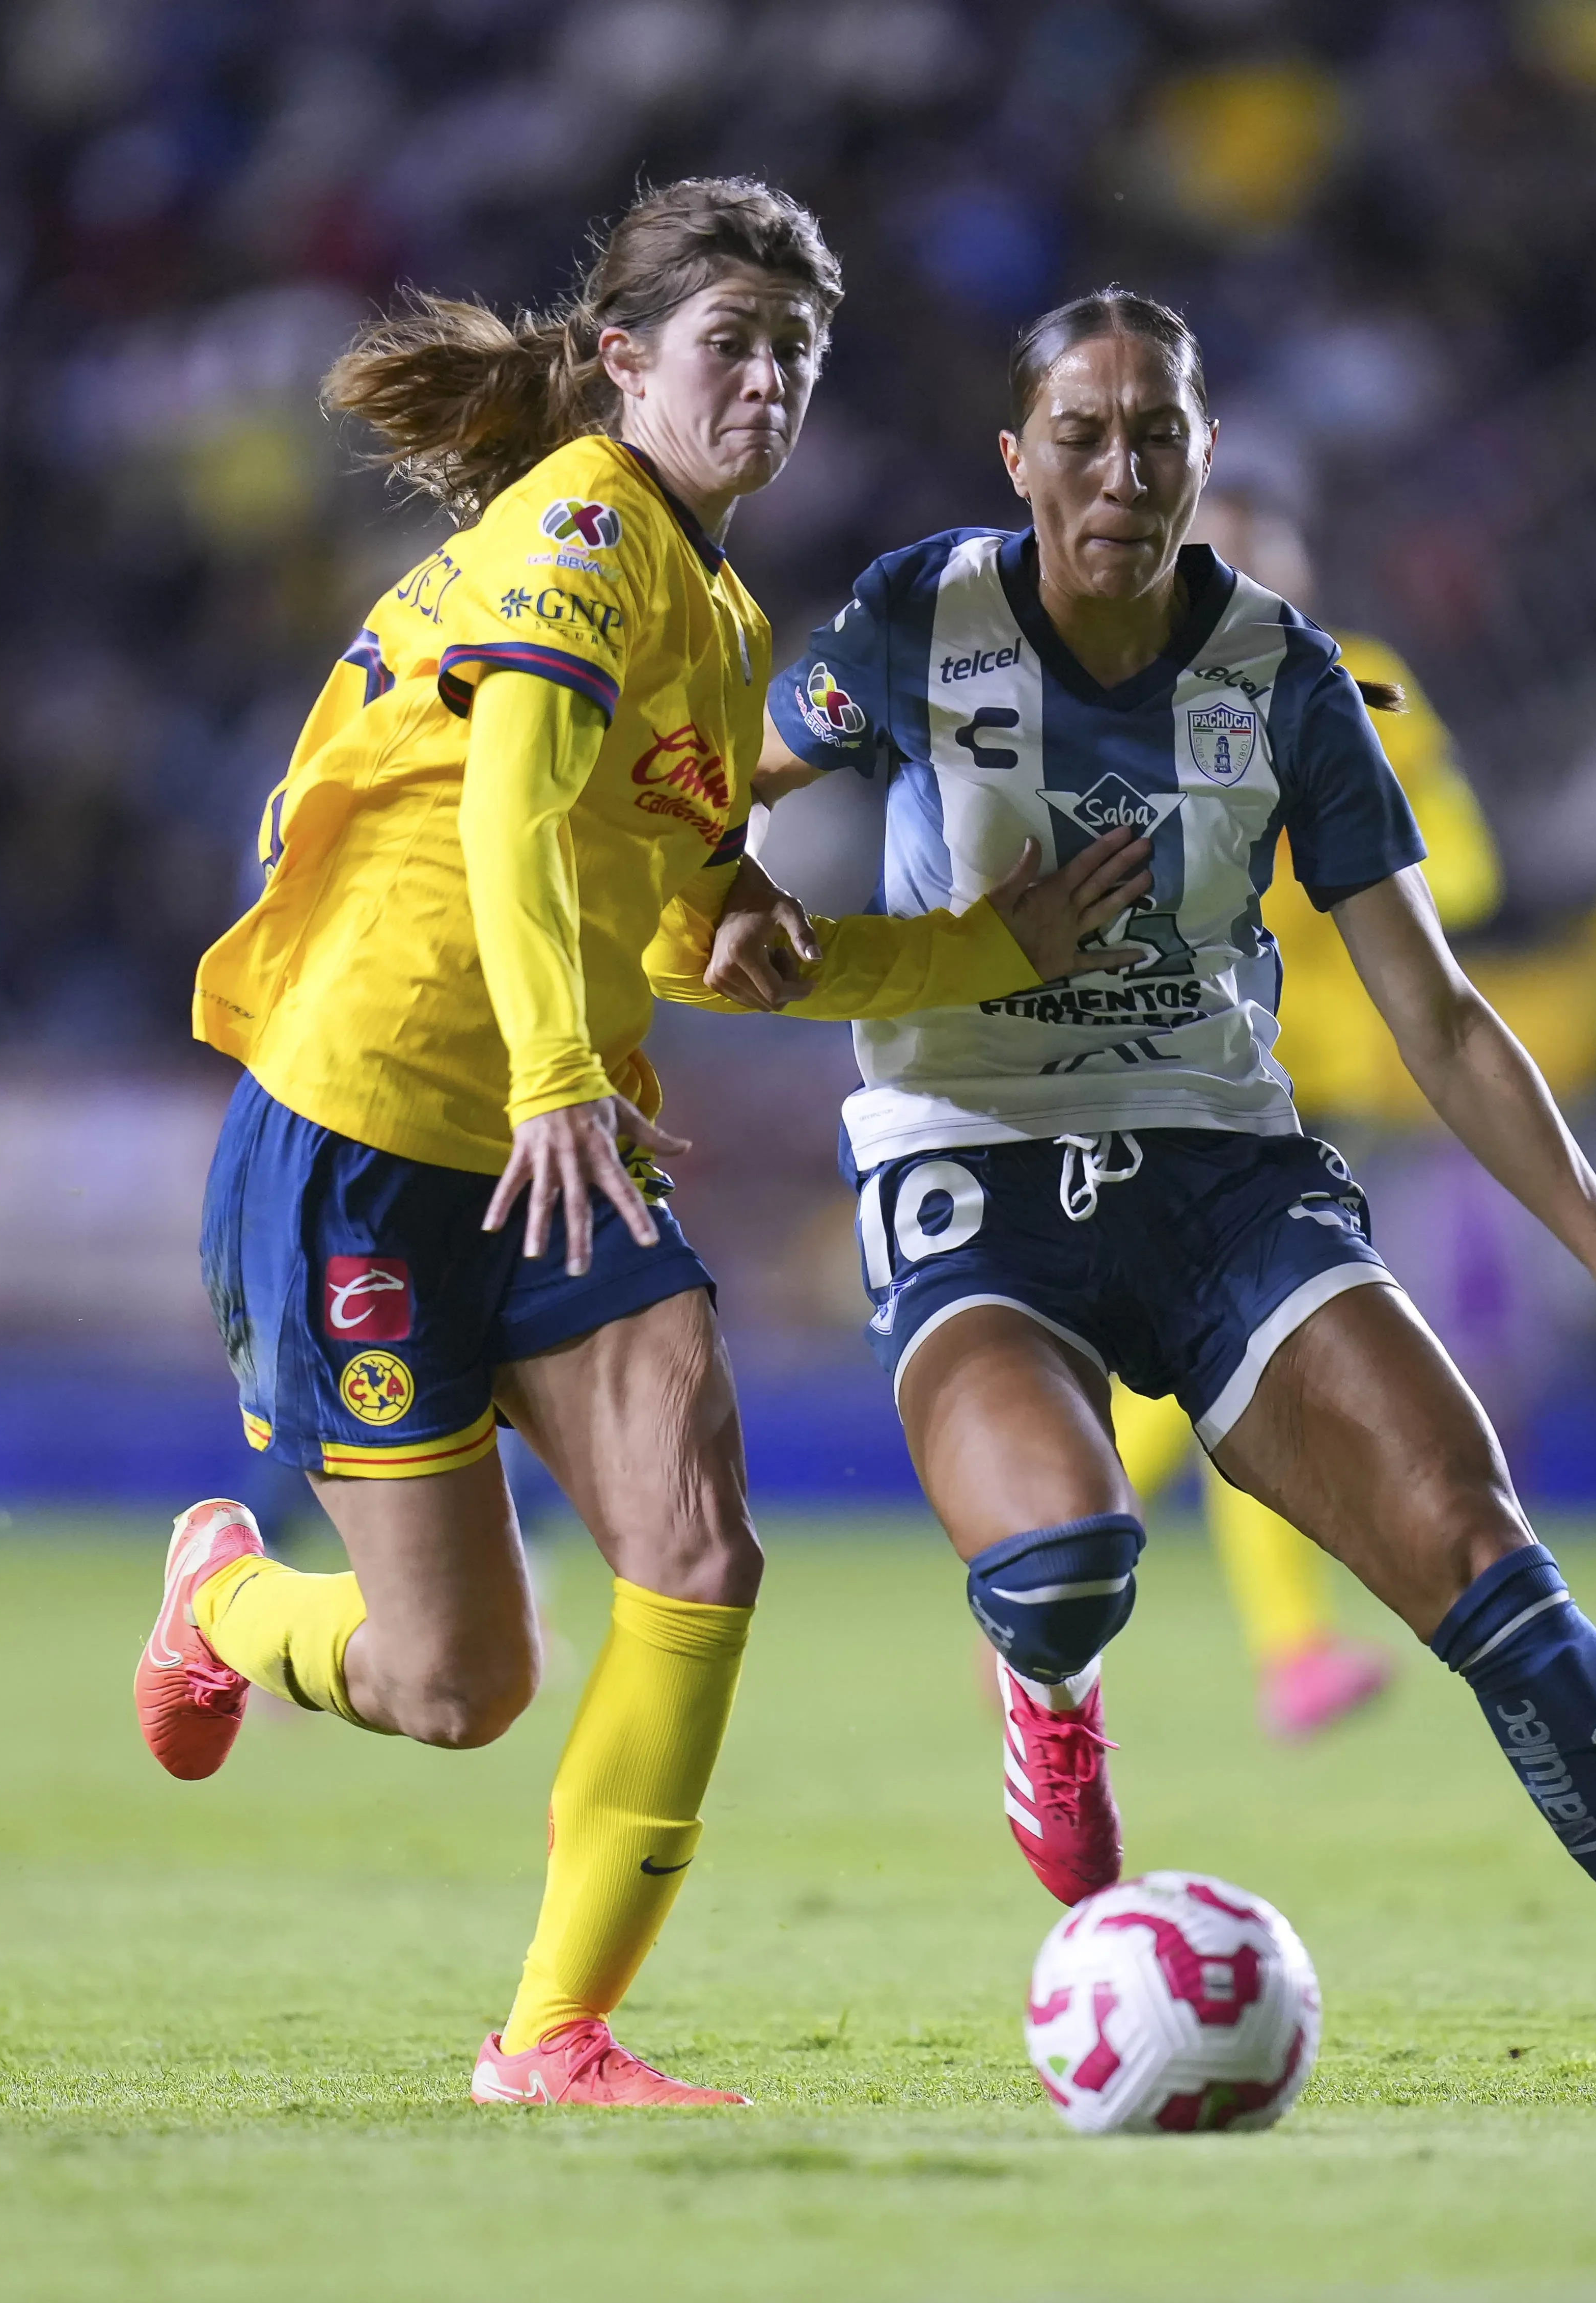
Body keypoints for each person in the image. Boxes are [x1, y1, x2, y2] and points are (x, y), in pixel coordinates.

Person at [730, 287, 1596, 2102]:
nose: (1123, 470)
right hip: (977, 1172)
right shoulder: (910, 619)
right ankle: (1047, 1699)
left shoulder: (1287, 678)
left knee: (1489, 1557)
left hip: (1224, 1174)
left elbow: (1438, 1012)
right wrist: (750, 942)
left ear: (1200, 458)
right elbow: (697, 792)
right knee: (1064, 1558)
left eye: (1158, 435)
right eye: (1085, 435)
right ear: (1017, 457)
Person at [136, 180, 1153, 2109]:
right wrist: (549, 1076)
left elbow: (711, 933)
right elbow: (514, 798)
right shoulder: (585, 528)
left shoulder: (712, 611)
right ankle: (224, 1605)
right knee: (458, 1686)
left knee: (698, 1542)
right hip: (372, 1125)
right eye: (728, 344)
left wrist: (980, 943)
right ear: (623, 360)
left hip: (562, 1140)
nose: (764, 380)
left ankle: (551, 2040)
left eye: (794, 352)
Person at [1098, 471, 1505, 1741]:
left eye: (1264, 557)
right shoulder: (1121, 688)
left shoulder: (1353, 681)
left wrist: (1355, 816)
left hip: (1322, 1079)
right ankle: (1088, 1572)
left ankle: (1048, 1561)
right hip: (1182, 1067)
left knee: (1222, 1359)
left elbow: (1467, 870)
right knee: (1239, 1354)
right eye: (1214, 558)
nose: (1245, 583)